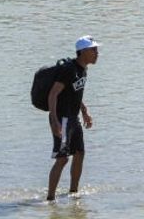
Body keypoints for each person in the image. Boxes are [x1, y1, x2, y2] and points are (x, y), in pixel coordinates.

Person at [46, 36, 98, 201]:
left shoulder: (83, 69)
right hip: (63, 119)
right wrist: (55, 121)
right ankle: (50, 200)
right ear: (82, 52)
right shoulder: (69, 69)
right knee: (62, 159)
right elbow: (53, 94)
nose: (97, 53)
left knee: (80, 153)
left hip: (73, 118)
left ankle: (73, 193)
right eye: (93, 50)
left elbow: (74, 92)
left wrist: (84, 110)